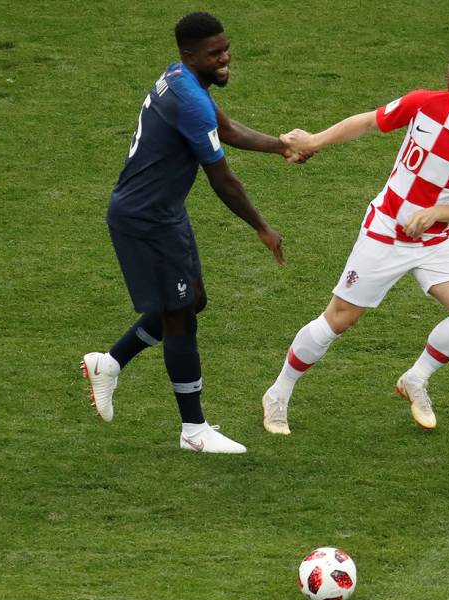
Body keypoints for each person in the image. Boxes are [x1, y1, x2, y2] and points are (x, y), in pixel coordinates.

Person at [262, 41, 449, 434]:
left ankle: (415, 378)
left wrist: (438, 213)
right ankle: (278, 393)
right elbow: (368, 121)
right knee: (339, 319)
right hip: (385, 230)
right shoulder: (423, 104)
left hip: (434, 239)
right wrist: (313, 141)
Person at [81, 12, 304, 454]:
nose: (225, 59)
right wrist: (262, 227)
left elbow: (225, 129)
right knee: (180, 314)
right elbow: (223, 180)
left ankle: (109, 363)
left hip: (164, 214)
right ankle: (193, 430)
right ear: (189, 54)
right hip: (146, 221)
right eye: (214, 54)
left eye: (226, 49)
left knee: (192, 300)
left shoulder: (180, 77)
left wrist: (283, 145)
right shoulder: (189, 99)